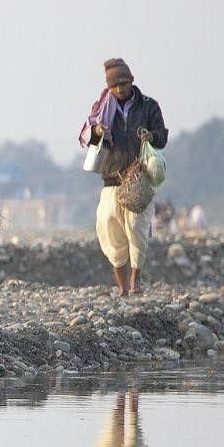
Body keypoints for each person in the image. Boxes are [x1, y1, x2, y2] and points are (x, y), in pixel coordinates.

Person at [77, 57, 168, 296]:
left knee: (138, 232)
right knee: (109, 231)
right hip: (111, 180)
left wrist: (151, 136)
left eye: (124, 84)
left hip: (140, 181)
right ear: (109, 87)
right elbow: (91, 138)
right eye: (115, 86)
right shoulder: (102, 109)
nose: (120, 89)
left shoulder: (149, 106)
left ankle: (136, 282)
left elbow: (162, 136)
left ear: (131, 81)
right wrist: (97, 131)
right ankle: (122, 287)